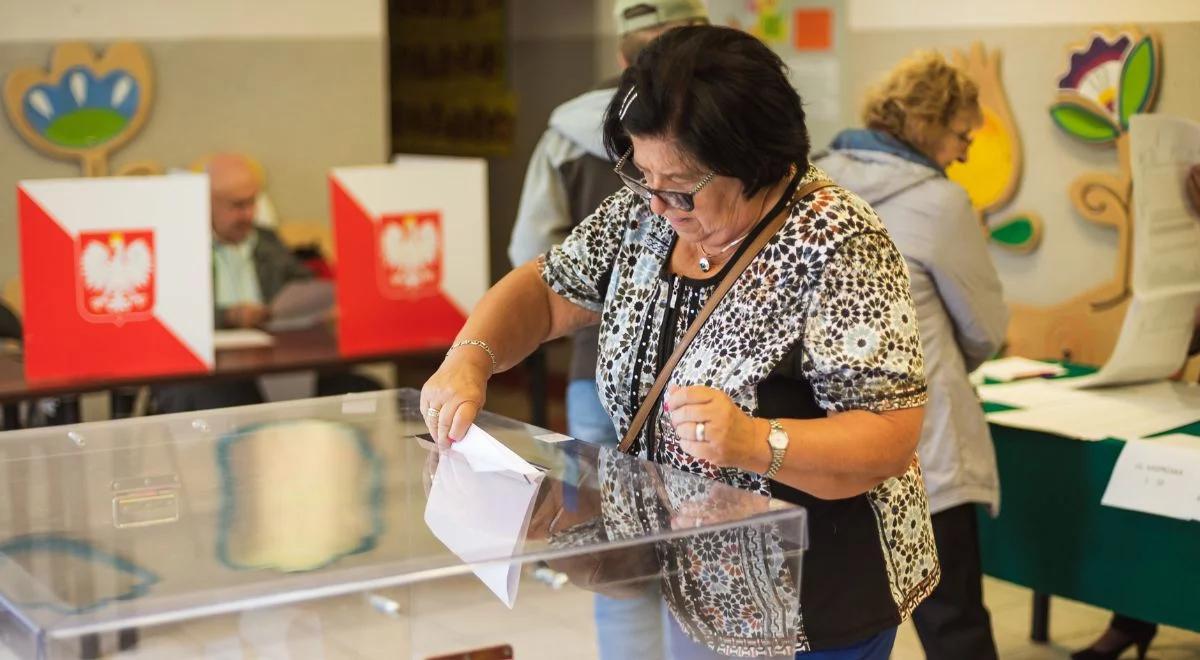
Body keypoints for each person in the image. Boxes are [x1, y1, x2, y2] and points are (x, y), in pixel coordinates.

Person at [423, 25, 937, 659]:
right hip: (692, 571)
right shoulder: (645, 211)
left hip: (815, 595)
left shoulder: (838, 242)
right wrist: (470, 358)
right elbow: (547, 288)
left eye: (682, 184)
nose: (659, 202)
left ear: (757, 162)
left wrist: (755, 441)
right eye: (642, 175)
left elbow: (889, 436)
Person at [507, 2, 708, 659]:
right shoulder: (721, 128)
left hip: (600, 374)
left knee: (618, 567)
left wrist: (607, 296)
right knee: (698, 559)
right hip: (705, 390)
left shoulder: (567, 131)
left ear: (623, 58)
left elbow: (530, 252)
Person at [814, 52, 1008, 660]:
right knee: (953, 623)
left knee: (855, 620)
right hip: (927, 443)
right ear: (928, 123)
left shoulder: (815, 181)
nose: (966, 152)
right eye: (962, 135)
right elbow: (986, 328)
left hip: (837, 440)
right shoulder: (941, 203)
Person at [153, 153, 376, 413]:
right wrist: (229, 316)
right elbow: (172, 315)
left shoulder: (267, 242)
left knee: (360, 392)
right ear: (208, 203)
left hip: (274, 361)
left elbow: (304, 284)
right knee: (226, 399)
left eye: (252, 203)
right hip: (210, 369)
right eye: (237, 206)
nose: (247, 215)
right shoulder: (182, 247)